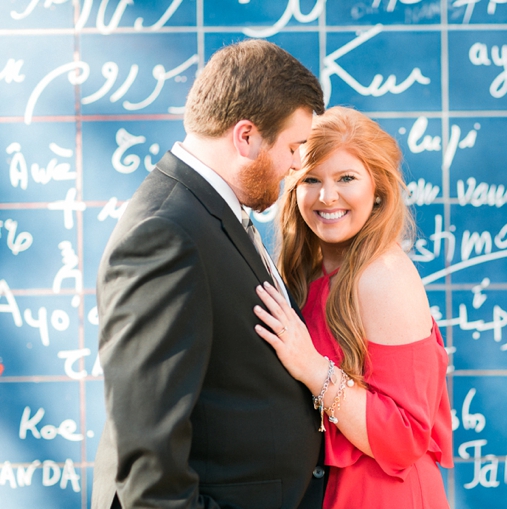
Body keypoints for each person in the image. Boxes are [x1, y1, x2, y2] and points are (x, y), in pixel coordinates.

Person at [92, 39, 327, 509]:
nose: (298, 164)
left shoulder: (210, 210)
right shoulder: (166, 233)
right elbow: (150, 456)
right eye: (294, 146)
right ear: (246, 136)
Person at [252, 107, 453, 509]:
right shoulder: (309, 271)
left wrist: (310, 367)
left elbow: (405, 436)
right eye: (311, 179)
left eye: (346, 178)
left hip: (384, 495)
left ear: (376, 187)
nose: (327, 196)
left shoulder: (384, 276)